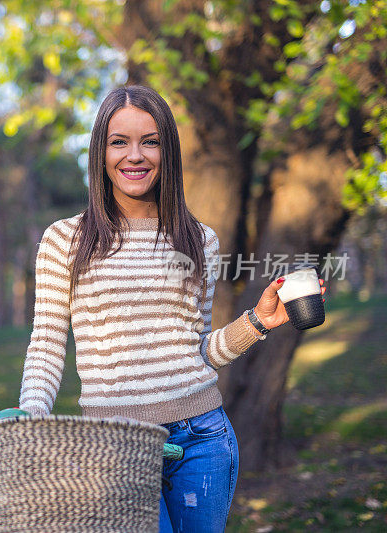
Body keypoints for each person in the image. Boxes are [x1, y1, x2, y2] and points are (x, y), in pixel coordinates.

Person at [17, 85, 326, 532]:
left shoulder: (199, 240)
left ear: (168, 150)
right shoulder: (65, 239)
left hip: (203, 439)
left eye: (151, 141)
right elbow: (46, 346)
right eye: (119, 141)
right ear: (100, 152)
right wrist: (31, 416)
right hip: (116, 447)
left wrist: (259, 322)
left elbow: (194, 350)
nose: (135, 156)